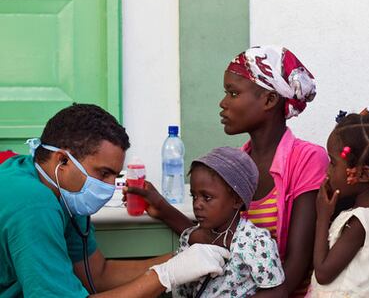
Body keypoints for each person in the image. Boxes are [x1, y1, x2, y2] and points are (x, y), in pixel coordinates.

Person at [126, 45, 329, 297]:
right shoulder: (237, 163)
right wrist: (163, 208)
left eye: (233, 93)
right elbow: (221, 239)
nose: (223, 103)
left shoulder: (307, 159)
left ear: (269, 100)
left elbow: (293, 272)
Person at [0, 103, 230, 298]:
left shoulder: (63, 191)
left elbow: (98, 275)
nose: (110, 186)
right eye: (103, 173)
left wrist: (181, 260)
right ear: (63, 160)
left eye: (114, 175)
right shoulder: (33, 204)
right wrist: (165, 276)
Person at [307, 109, 369, 297]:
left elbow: (323, 273)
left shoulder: (360, 222)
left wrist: (322, 218)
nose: (327, 171)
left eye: (333, 163)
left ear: (364, 174)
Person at [172, 147, 286, 298]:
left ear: (237, 200)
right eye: (194, 196)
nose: (197, 204)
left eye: (207, 197)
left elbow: (275, 292)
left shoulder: (255, 243)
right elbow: (182, 290)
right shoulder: (191, 238)